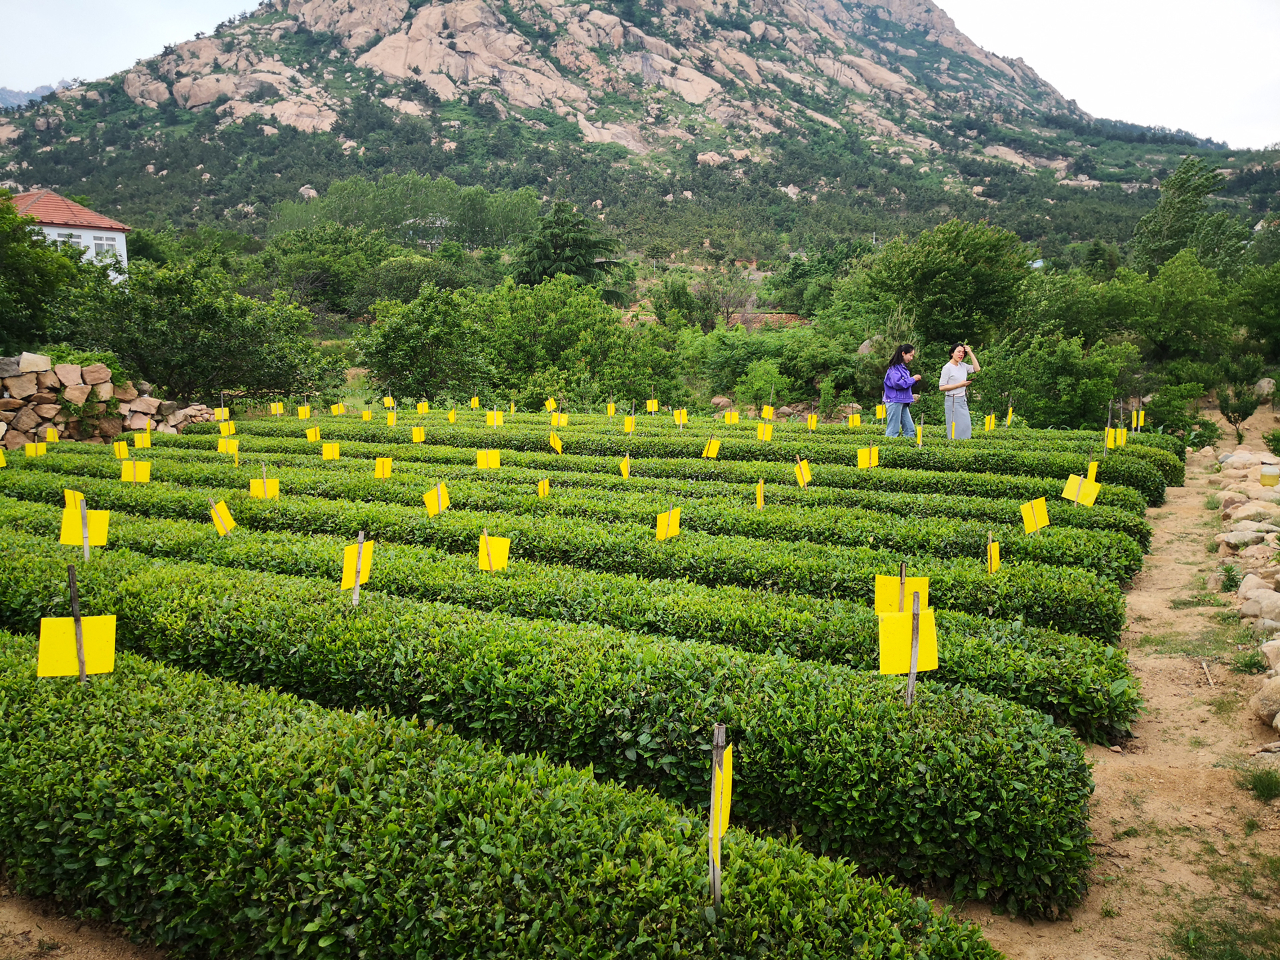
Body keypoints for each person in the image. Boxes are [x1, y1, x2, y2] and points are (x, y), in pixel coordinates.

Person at [938, 343, 980, 440]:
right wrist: (959, 385)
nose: (961, 354)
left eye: (963, 353)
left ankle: (964, 446)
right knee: (954, 426)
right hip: (952, 399)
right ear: (952, 353)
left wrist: (970, 352)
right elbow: (942, 387)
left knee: (965, 425)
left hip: (962, 399)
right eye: (959, 352)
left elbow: (977, 369)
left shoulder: (963, 366)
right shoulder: (947, 368)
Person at [882, 343, 922, 438]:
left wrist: (915, 381)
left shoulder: (902, 368)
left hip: (903, 400)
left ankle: (908, 449)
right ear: (903, 353)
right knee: (893, 431)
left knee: (909, 429)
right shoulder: (894, 369)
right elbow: (897, 383)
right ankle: (889, 449)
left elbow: (906, 383)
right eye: (910, 355)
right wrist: (913, 379)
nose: (911, 358)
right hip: (895, 400)